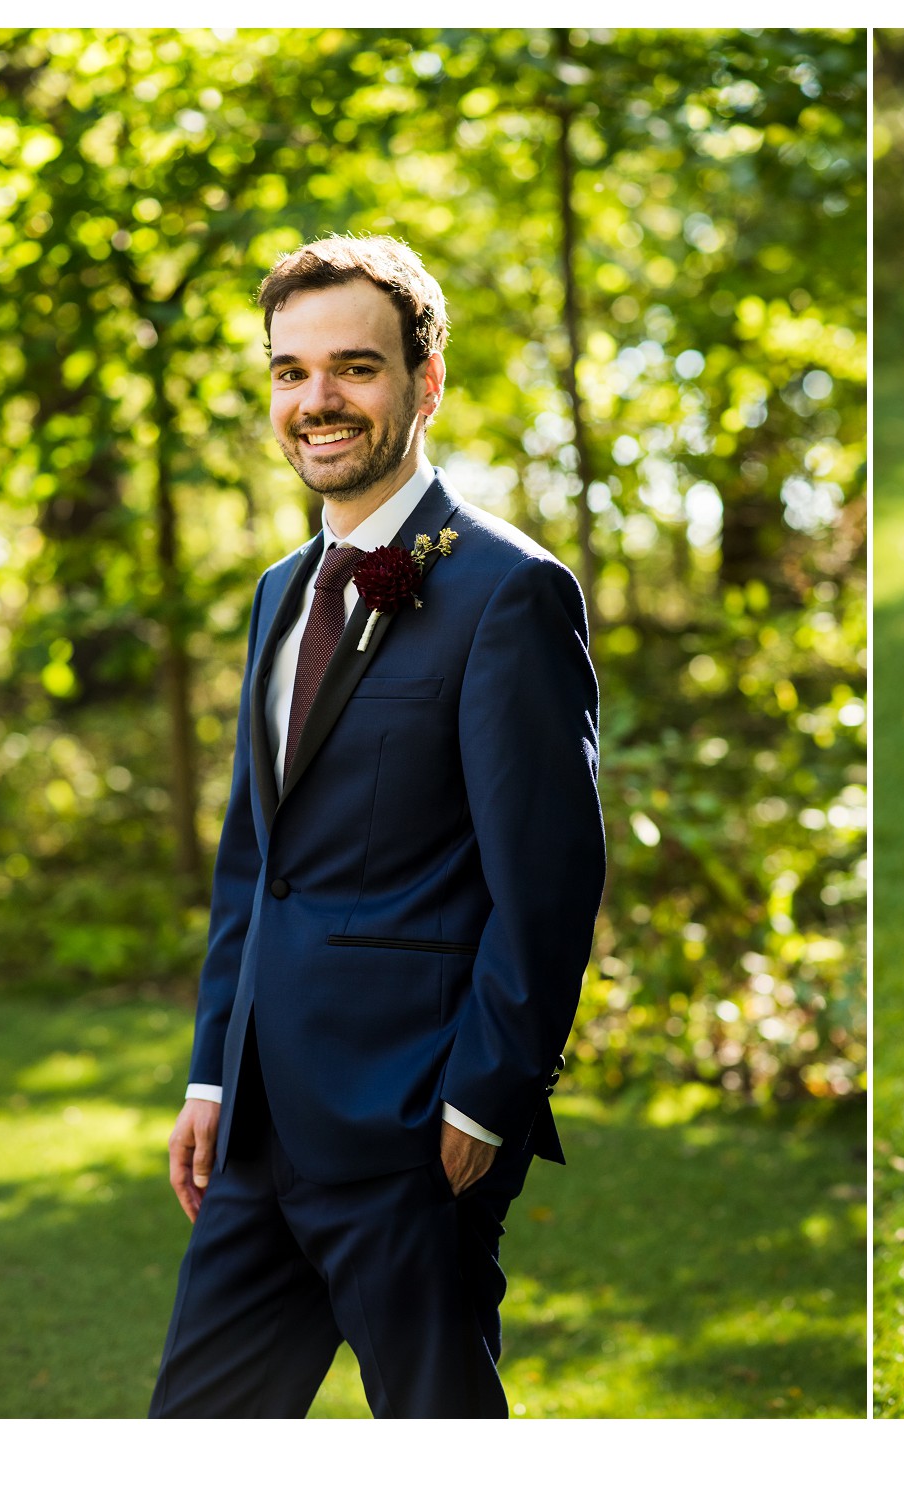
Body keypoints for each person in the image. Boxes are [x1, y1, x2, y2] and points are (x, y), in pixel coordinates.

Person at [149, 235, 606, 1418]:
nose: (319, 401)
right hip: (257, 1127)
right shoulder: (278, 592)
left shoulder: (509, 590)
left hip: (413, 1129)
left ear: (426, 380)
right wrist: (212, 1070)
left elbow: (547, 884)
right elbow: (259, 865)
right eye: (291, 372)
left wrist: (477, 1104)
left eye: (354, 366)